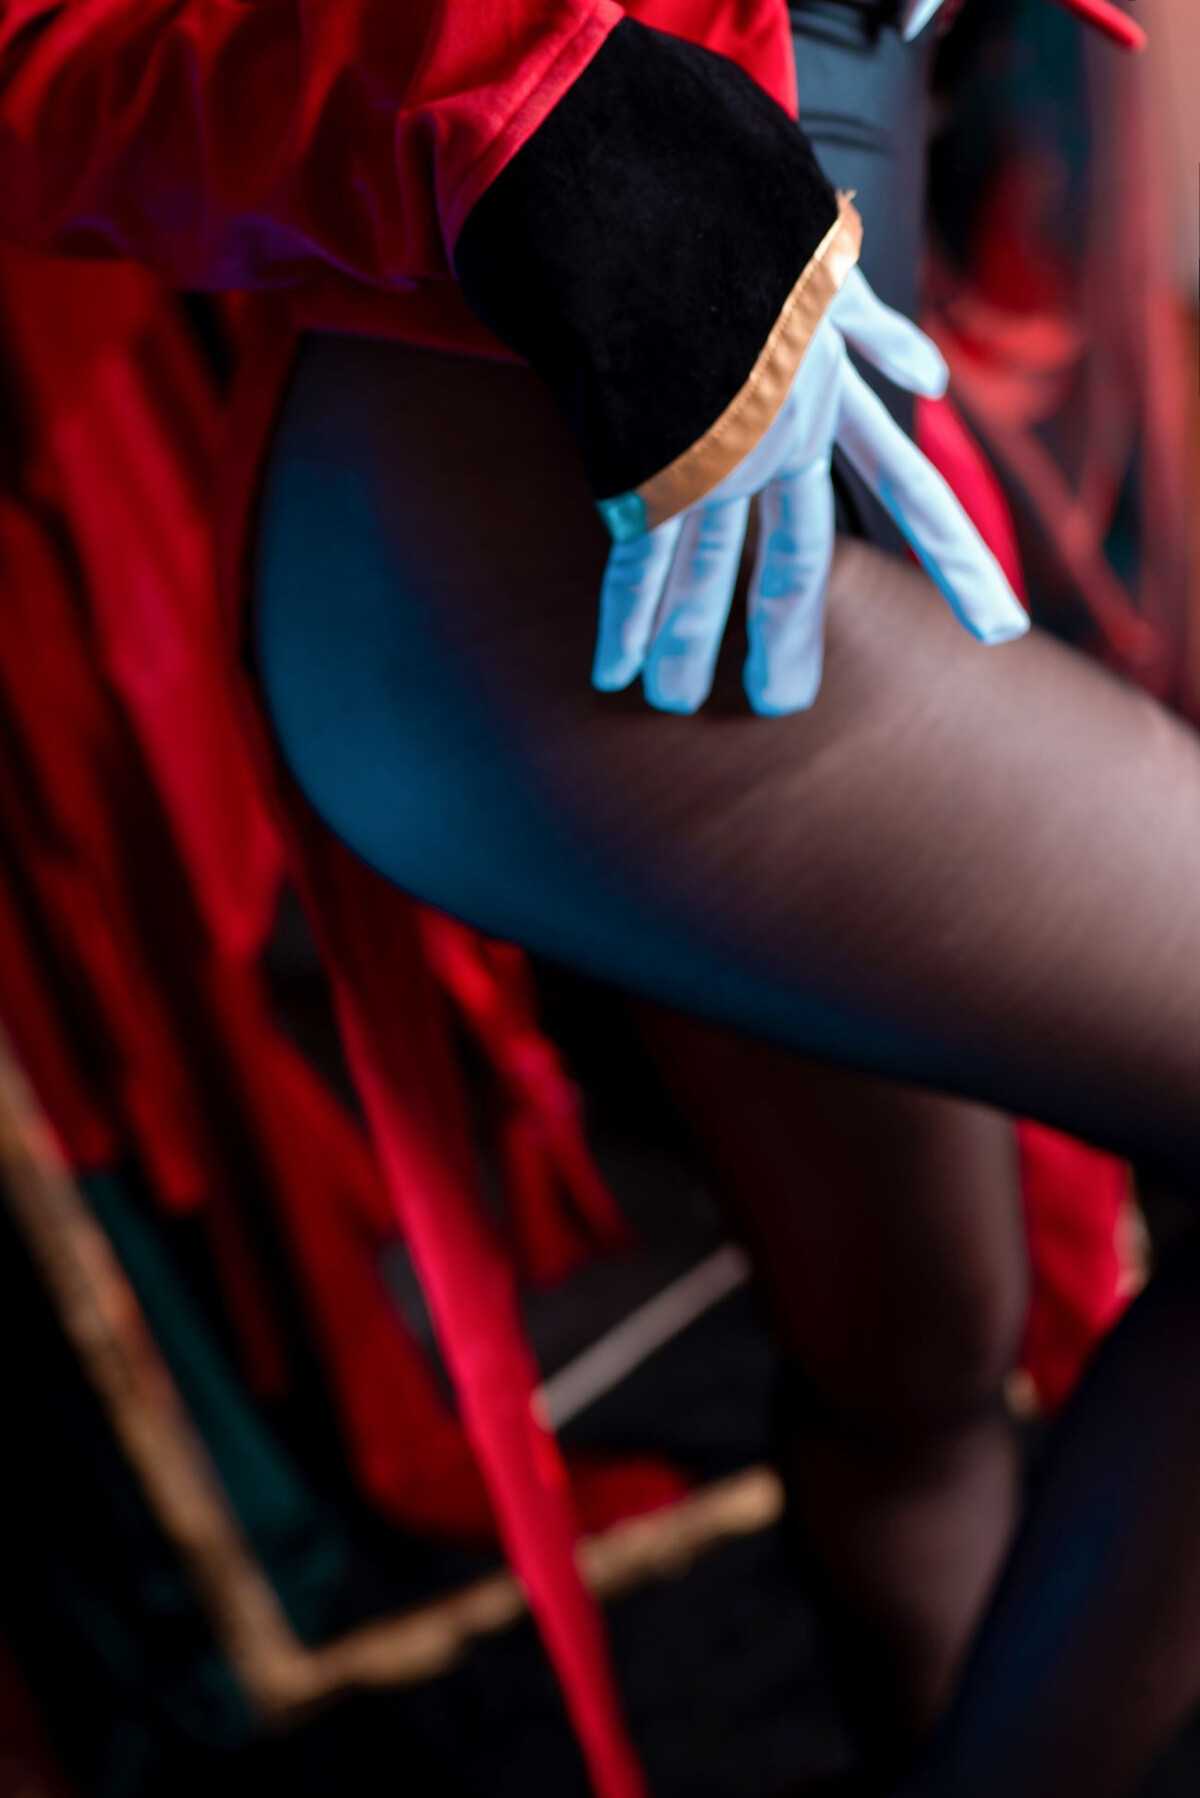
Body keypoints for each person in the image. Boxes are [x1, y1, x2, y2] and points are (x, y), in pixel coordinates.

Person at [2, 2, 1195, 1795]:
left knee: (923, 1359)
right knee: (918, 1375)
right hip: (553, 489)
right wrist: (563, 134)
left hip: (821, 412)